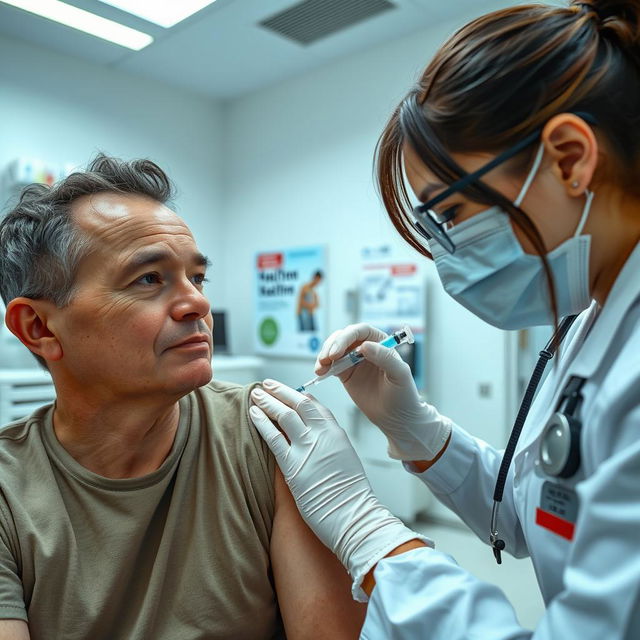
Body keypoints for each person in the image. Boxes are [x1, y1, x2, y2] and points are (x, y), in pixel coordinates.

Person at [249, 0, 640, 637]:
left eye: (451, 214)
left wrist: (364, 529)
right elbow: (530, 513)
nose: (446, 252)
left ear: (570, 158)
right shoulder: (593, 317)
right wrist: (415, 427)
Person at [0, 155, 366, 640]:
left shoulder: (268, 432)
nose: (198, 303)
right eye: (148, 279)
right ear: (40, 327)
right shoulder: (10, 491)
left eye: (197, 277)